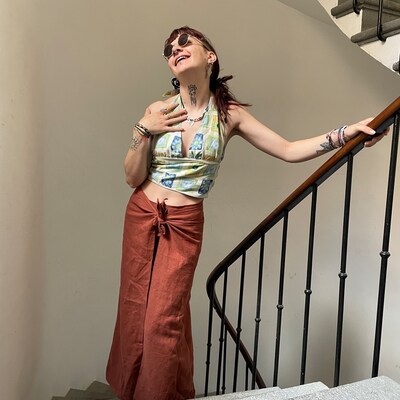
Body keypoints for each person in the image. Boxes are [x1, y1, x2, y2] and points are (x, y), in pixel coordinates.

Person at [106, 26, 385, 400]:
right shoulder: (158, 110)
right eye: (169, 49)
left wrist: (345, 134)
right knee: (135, 308)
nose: (176, 49)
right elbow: (131, 177)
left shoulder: (229, 115)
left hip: (184, 225)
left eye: (184, 42)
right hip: (142, 214)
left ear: (210, 56)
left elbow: (287, 149)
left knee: (162, 319)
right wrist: (143, 129)